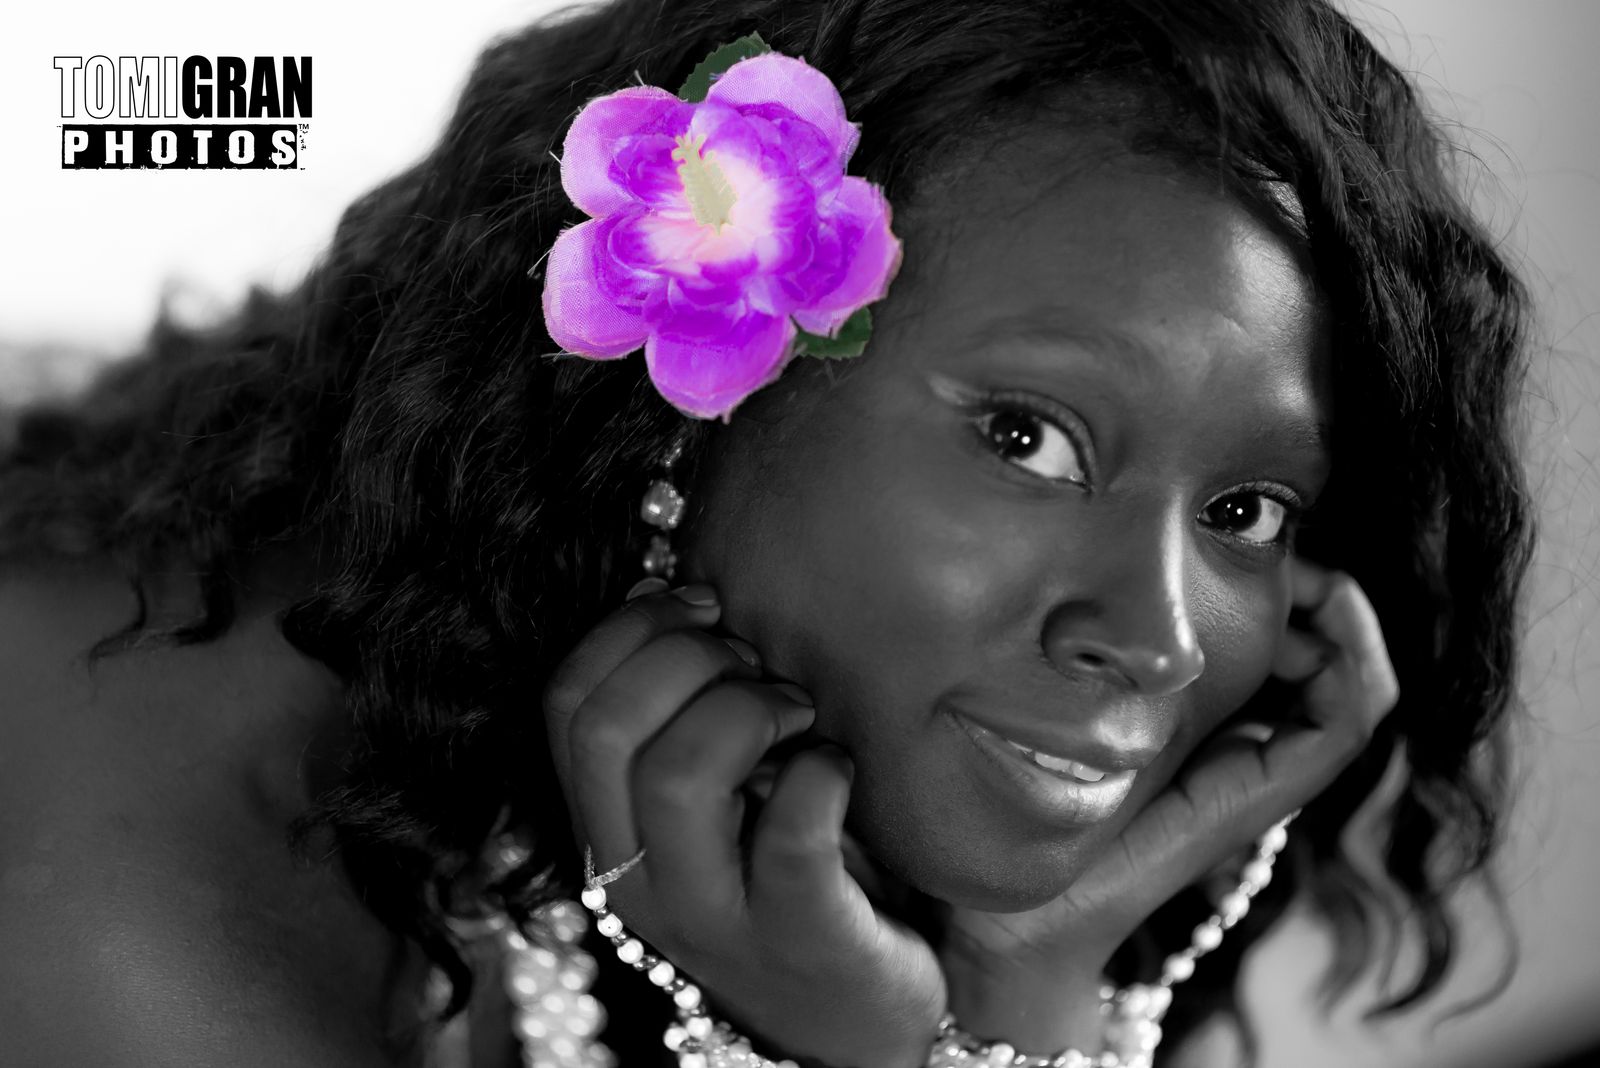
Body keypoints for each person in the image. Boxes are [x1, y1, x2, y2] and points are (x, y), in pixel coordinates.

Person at [0, 0, 1538, 1066]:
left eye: (1245, 513)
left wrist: (1010, 997)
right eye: (1026, 439)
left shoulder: (727, 832)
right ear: (690, 397)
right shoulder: (154, 873)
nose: (1161, 639)